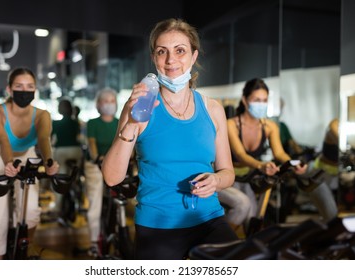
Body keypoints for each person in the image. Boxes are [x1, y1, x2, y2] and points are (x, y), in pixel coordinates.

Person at [101, 18, 238, 260]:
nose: (171, 60)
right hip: (158, 224)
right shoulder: (139, 107)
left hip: (208, 218)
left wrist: (216, 180)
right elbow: (112, 177)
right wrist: (132, 124)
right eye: (162, 52)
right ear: (154, 58)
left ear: (194, 57)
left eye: (180, 51)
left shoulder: (213, 109)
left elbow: (228, 172)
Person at [0, 67, 59, 260]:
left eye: (29, 86)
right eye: (19, 86)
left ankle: (25, 247)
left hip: (27, 156)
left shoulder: (42, 114)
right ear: (9, 89)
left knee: (31, 211)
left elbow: (43, 139)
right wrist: (8, 163)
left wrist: (49, 161)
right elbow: (2, 140)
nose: (25, 90)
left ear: (35, 90)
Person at [217, 78, 308, 233]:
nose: (261, 104)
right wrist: (260, 165)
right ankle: (216, 244)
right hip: (225, 178)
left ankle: (242, 252)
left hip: (247, 179)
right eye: (257, 100)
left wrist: (293, 164)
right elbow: (240, 154)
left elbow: (279, 153)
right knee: (242, 206)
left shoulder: (270, 126)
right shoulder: (231, 124)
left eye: (264, 100)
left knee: (252, 223)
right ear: (245, 101)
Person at [85, 87, 119, 258]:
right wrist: (96, 157)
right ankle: (93, 242)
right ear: (98, 104)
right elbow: (91, 143)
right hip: (95, 165)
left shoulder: (120, 122)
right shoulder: (93, 123)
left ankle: (119, 235)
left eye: (112, 101)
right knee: (95, 202)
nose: (109, 104)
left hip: (116, 166)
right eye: (105, 101)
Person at [51, 98, 83, 225]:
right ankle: (78, 191)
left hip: (61, 151)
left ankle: (58, 207)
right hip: (76, 151)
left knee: (60, 179)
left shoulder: (56, 123)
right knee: (75, 175)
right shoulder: (76, 123)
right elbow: (78, 135)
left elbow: (51, 138)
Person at [309, 118, 338, 221]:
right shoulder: (335, 125)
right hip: (322, 173)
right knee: (331, 216)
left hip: (339, 176)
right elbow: (334, 128)